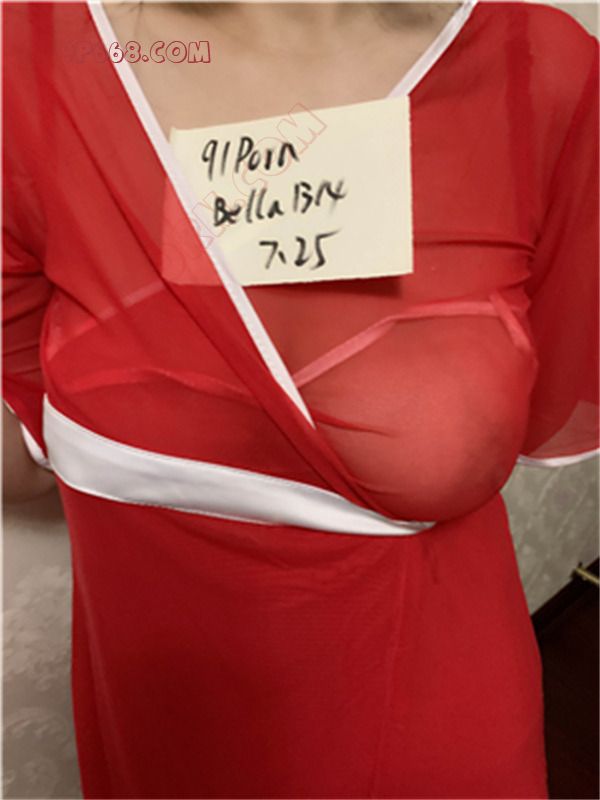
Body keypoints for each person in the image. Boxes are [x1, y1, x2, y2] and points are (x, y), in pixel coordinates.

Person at [3, 1, 598, 797]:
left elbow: (543, 404)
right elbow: (25, 442)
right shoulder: (33, 57)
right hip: (157, 731)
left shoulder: (541, 71)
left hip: (427, 731)